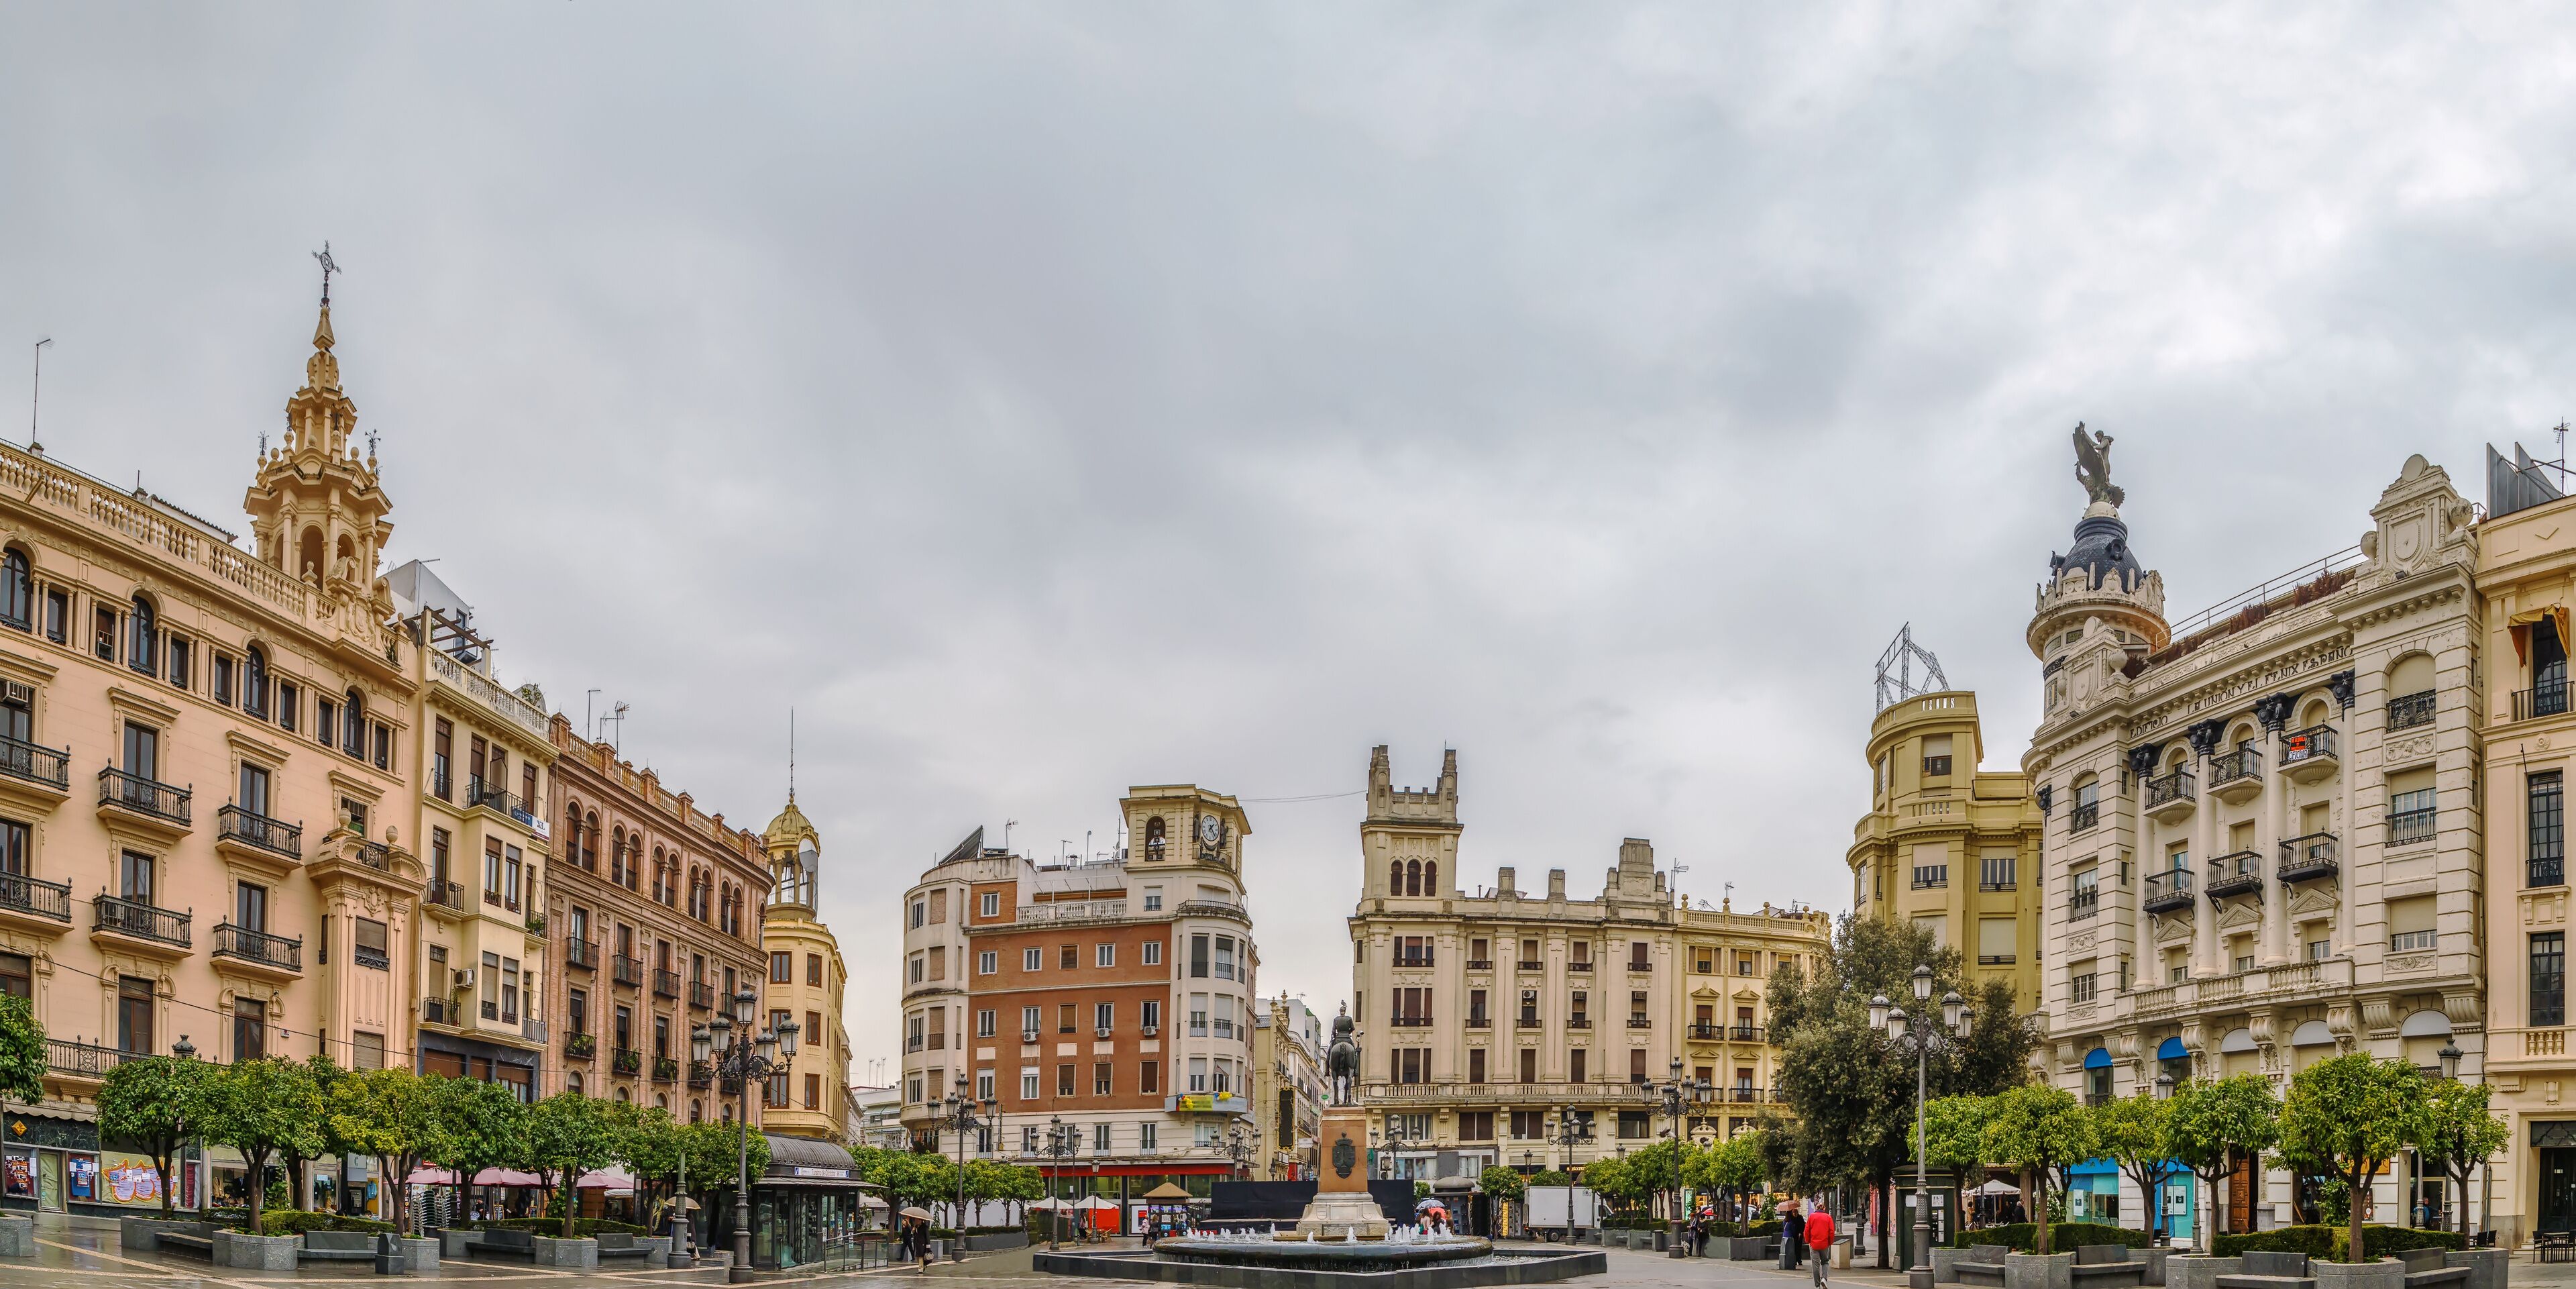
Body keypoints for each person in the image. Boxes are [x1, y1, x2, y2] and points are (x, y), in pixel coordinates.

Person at [1805, 1198, 1837, 1288]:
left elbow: (1806, 1231)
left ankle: (1817, 1285)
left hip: (1814, 1245)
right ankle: (1824, 1279)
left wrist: (1808, 1241)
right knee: (1825, 1262)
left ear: (1816, 1209)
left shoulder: (1811, 1217)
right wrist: (1830, 1242)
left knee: (1816, 1265)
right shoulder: (1828, 1217)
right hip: (1825, 1244)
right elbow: (1831, 1231)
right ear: (1824, 1209)